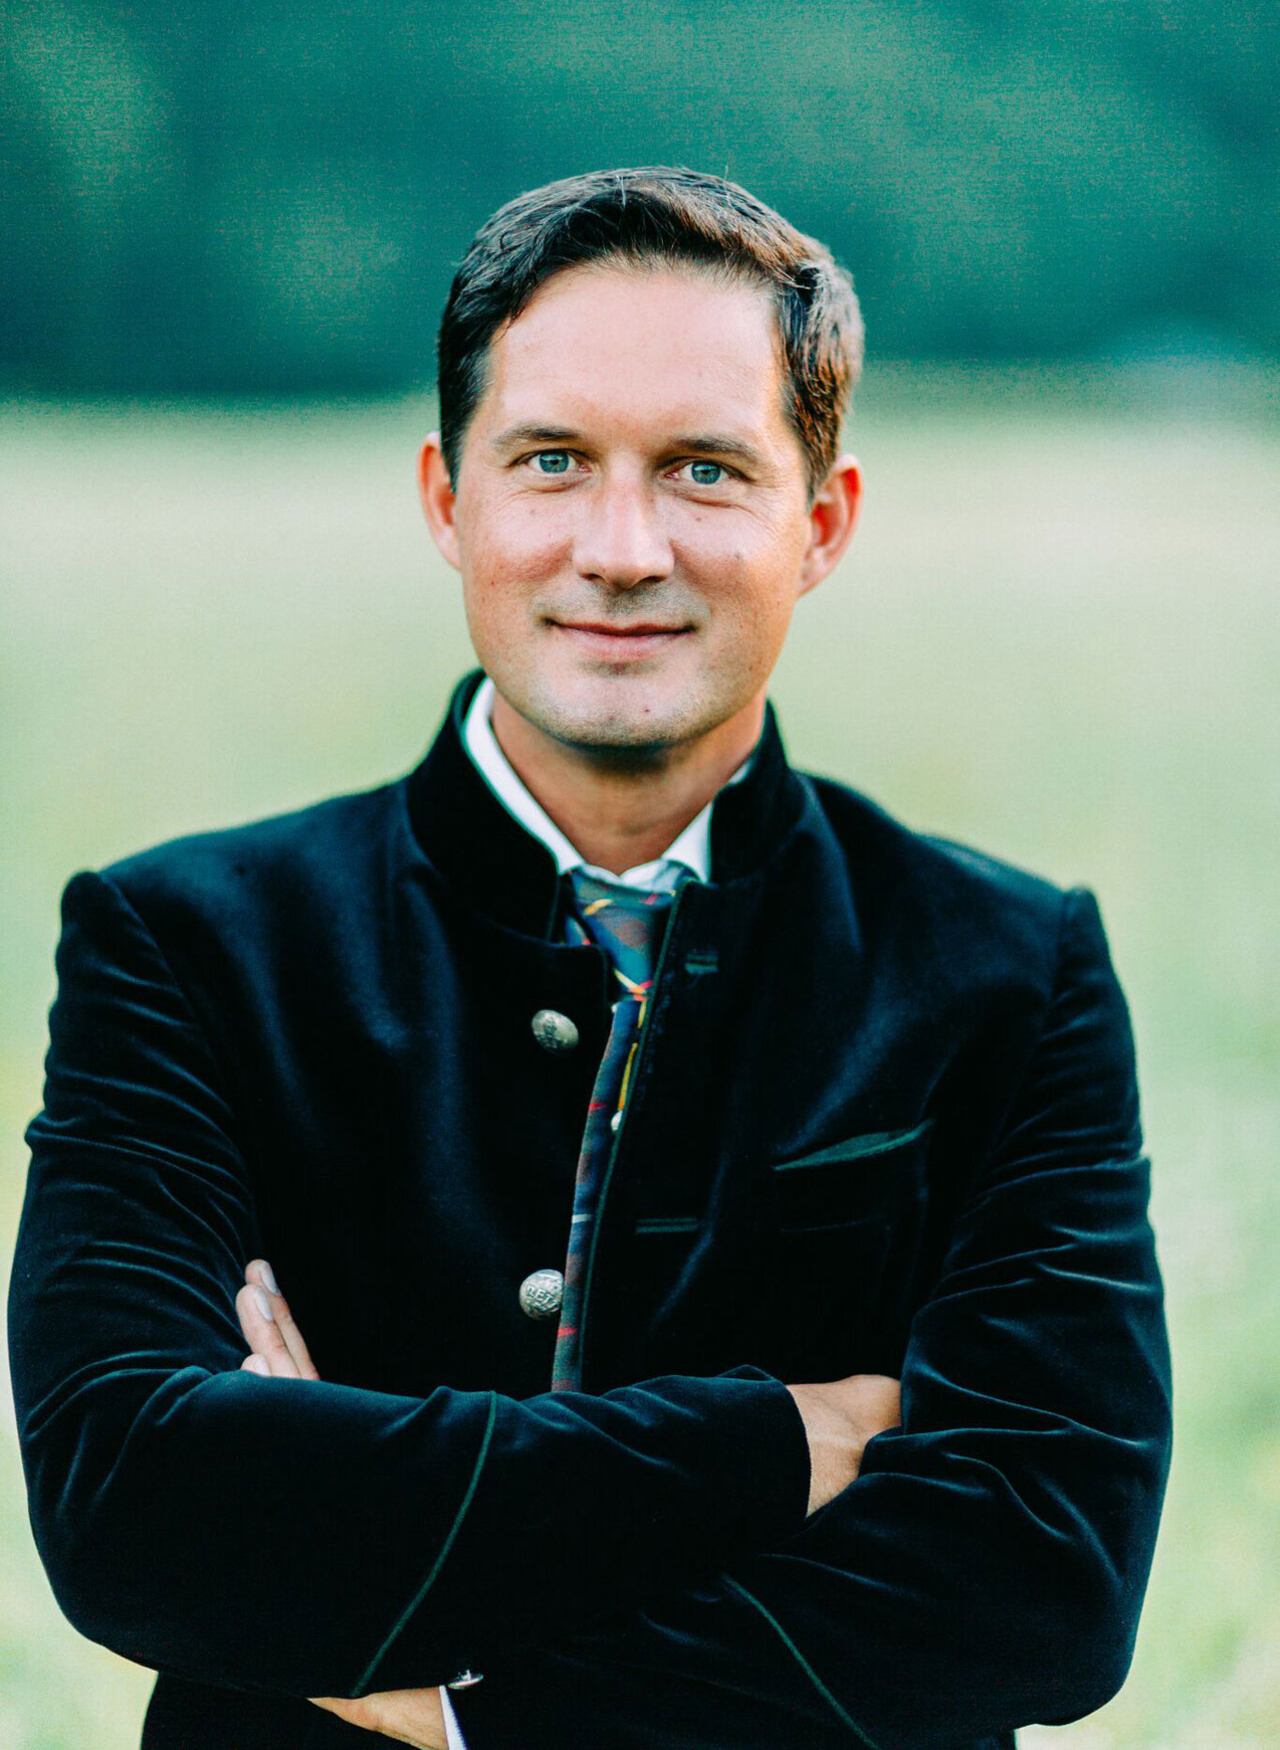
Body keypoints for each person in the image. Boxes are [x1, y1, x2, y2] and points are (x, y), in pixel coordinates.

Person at [9, 166, 1172, 1750]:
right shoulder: (186, 948)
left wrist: (460, 1701)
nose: (622, 547)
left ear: (822, 521)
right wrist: (779, 1443)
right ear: (449, 500)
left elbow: (1045, 1576)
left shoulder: (1010, 972)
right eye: (551, 460)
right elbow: (132, 1501)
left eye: (705, 469)